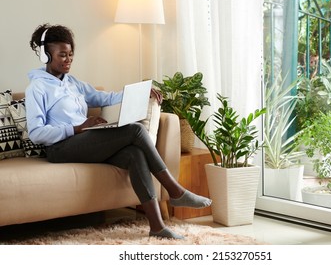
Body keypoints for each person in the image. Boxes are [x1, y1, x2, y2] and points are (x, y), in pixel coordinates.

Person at [25, 23, 212, 240]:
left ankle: (157, 226)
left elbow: (104, 98)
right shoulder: (37, 88)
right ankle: (176, 191)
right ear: (46, 56)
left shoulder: (72, 83)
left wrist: (141, 92)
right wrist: (77, 127)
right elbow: (36, 133)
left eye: (71, 54)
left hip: (84, 141)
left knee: (135, 154)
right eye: (62, 55)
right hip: (60, 149)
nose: (68, 60)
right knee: (135, 130)